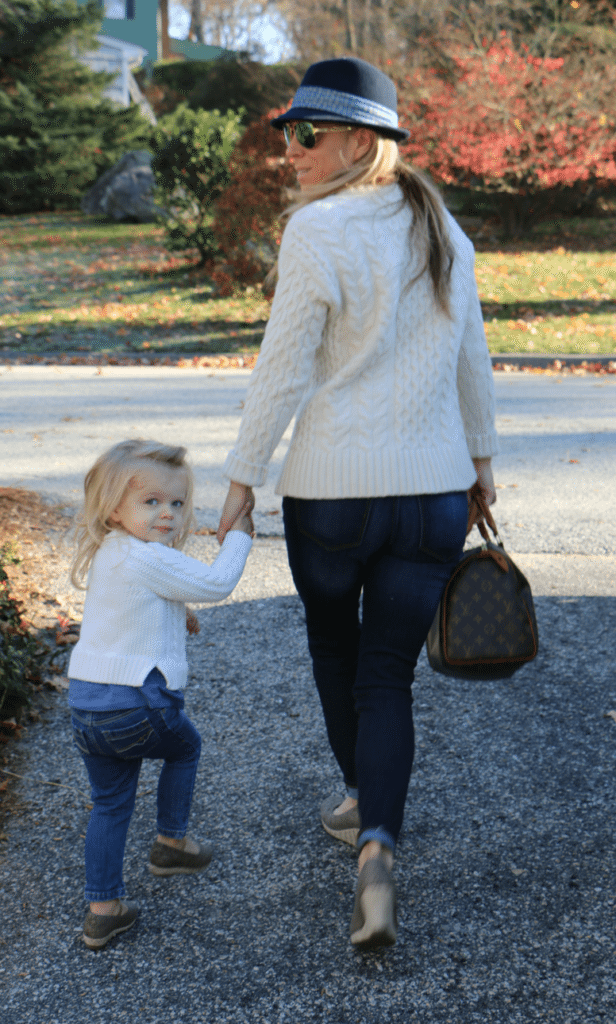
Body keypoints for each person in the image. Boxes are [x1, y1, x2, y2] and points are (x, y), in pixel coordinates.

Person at [217, 57, 498, 950]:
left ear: (359, 143)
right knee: (389, 677)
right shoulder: (442, 227)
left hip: (334, 496)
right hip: (432, 498)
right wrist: (482, 466)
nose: (289, 149)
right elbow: (472, 360)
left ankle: (365, 801)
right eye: (286, 131)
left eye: (307, 133)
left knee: (340, 658)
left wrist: (240, 479)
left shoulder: (320, 231)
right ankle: (376, 837)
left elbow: (283, 368)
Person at [68, 439, 253, 949]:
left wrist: (179, 612)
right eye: (150, 502)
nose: (167, 514)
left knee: (110, 804)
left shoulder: (112, 551)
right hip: (136, 704)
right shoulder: (148, 557)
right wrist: (238, 536)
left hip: (88, 707)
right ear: (114, 508)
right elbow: (217, 583)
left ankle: (103, 910)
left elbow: (123, 612)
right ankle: (171, 843)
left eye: (175, 503)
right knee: (186, 746)